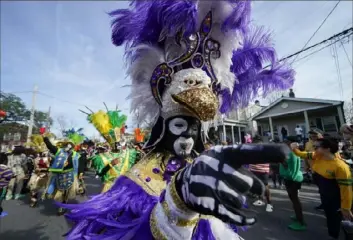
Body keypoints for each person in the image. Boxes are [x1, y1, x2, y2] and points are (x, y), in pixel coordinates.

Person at [62, 1, 294, 239]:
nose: (187, 139)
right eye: (180, 126)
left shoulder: (204, 166)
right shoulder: (139, 177)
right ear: (164, 128)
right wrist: (177, 204)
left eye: (194, 130)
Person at [292, 137, 352, 239]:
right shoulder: (317, 156)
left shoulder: (340, 167)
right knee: (330, 219)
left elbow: (346, 189)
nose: (314, 149)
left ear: (327, 149)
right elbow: (302, 154)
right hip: (325, 197)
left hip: (336, 200)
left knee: (340, 222)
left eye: (316, 147)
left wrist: (346, 207)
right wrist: (294, 148)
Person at [42, 133, 84, 215]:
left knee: (67, 192)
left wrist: (81, 173)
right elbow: (50, 146)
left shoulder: (76, 155)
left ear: (73, 146)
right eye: (67, 144)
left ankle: (63, 205)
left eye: (70, 145)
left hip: (71, 175)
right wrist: (45, 138)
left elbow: (80, 165)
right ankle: (49, 193)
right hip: (59, 174)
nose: (68, 146)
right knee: (57, 188)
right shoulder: (59, 151)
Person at [280, 136, 306, 231]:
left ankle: (301, 222)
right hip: (290, 178)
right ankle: (297, 216)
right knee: (293, 198)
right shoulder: (291, 152)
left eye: (286, 141)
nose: (284, 143)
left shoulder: (292, 153)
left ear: (292, 143)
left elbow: (290, 167)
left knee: (295, 200)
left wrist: (280, 160)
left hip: (293, 179)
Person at [249, 135, 273, 212]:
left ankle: (269, 204)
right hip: (254, 170)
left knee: (266, 187)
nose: (255, 142)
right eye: (254, 141)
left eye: (256, 141)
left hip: (263, 171)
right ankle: (260, 200)